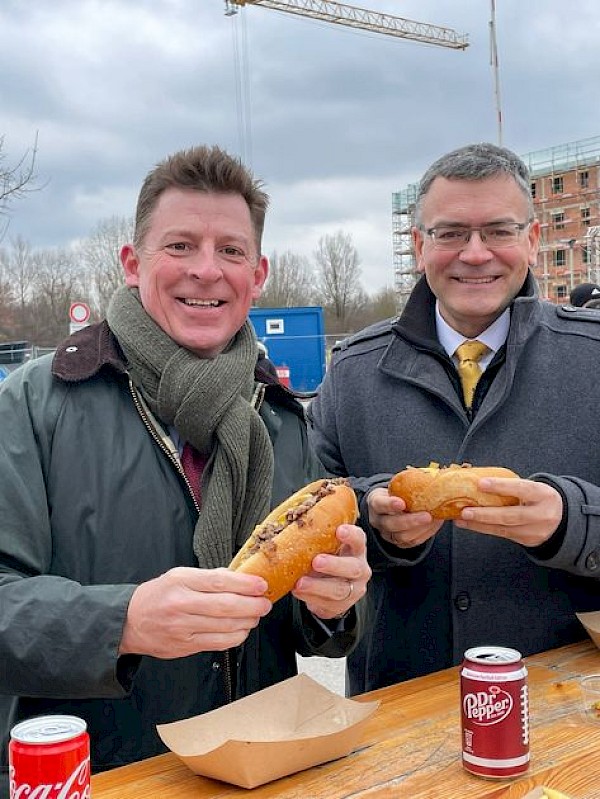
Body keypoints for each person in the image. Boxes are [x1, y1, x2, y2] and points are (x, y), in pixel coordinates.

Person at [0, 144, 371, 792]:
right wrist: (126, 621)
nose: (207, 270)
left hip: (264, 772)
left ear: (257, 275)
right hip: (103, 778)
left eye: (230, 251)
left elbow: (308, 634)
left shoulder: (280, 418)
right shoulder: (34, 404)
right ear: (132, 261)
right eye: (180, 246)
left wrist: (332, 607)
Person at [308, 142, 600, 696]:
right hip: (396, 715)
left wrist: (571, 522)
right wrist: (376, 518)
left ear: (531, 242)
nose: (474, 253)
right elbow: (306, 513)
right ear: (419, 246)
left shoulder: (593, 357)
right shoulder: (351, 374)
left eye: (498, 230)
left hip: (573, 715)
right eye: (450, 234)